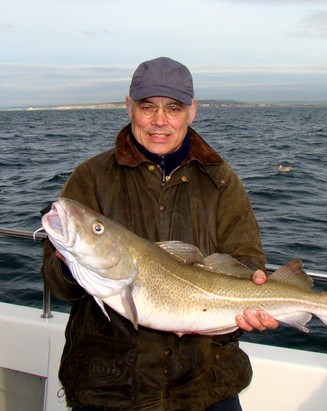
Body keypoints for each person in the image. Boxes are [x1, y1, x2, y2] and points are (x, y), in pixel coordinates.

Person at [41, 57, 279, 411]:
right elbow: (57, 286)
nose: (159, 121)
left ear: (192, 111)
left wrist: (248, 301)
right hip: (109, 387)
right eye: (147, 106)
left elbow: (245, 258)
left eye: (173, 108)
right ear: (129, 107)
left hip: (204, 384)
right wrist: (67, 265)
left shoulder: (221, 180)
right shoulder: (90, 177)